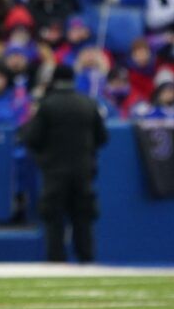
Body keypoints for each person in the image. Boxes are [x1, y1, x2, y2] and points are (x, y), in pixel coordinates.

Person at [20, 65, 108, 262]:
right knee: (83, 218)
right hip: (83, 172)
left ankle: (57, 260)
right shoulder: (89, 103)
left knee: (54, 218)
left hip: (54, 172)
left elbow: (33, 138)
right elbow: (102, 137)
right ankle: (86, 259)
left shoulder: (47, 105)